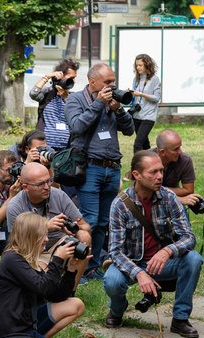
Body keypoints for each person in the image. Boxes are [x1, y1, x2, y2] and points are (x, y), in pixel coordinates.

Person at [103, 150, 203, 338]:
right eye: (153, 172)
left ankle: (180, 319)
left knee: (194, 259)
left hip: (162, 263)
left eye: (161, 171)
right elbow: (115, 251)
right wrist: (139, 273)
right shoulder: (120, 204)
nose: (159, 177)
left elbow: (189, 237)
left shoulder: (169, 197)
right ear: (136, 175)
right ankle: (117, 310)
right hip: (131, 264)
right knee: (112, 281)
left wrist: (167, 251)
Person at [0, 212, 84, 338]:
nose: (47, 240)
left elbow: (56, 296)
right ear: (31, 237)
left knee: (76, 304)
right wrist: (56, 259)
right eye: (43, 236)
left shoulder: (27, 260)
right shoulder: (12, 259)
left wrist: (70, 269)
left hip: (28, 321)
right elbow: (43, 288)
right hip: (15, 332)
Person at [65, 63, 135, 280]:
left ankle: (93, 266)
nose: (111, 85)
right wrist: (98, 104)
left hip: (112, 168)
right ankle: (78, 266)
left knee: (104, 221)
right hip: (90, 167)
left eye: (113, 81)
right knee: (89, 220)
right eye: (107, 82)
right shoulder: (75, 100)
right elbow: (77, 127)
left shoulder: (112, 101)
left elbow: (130, 130)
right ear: (92, 82)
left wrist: (119, 109)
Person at [6, 163, 91, 288]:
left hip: (59, 243)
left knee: (84, 237)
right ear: (25, 187)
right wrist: (44, 227)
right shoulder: (15, 206)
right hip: (34, 252)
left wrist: (72, 229)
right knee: (43, 283)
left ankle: (71, 291)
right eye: (40, 184)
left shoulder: (59, 195)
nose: (47, 187)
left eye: (48, 181)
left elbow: (86, 226)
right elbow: (17, 245)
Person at [29, 58, 79, 151]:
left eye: (74, 78)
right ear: (60, 76)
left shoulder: (73, 97)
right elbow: (33, 93)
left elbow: (76, 114)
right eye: (71, 78)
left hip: (66, 148)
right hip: (45, 146)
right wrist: (47, 77)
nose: (74, 81)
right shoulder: (47, 93)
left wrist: (65, 97)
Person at [153, 129, 203, 208]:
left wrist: (158, 190)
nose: (180, 152)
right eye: (176, 149)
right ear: (162, 152)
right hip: (149, 202)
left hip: (173, 198)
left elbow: (189, 190)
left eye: (180, 147)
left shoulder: (184, 160)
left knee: (181, 214)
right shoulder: (146, 160)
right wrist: (179, 199)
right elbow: (144, 191)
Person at [129, 54, 161, 153]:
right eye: (136, 65)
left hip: (148, 116)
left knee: (137, 144)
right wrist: (129, 93)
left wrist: (141, 94)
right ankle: (152, 164)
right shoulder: (136, 79)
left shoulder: (154, 79)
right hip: (137, 116)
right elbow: (135, 96)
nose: (138, 68)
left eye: (140, 65)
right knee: (145, 144)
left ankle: (137, 166)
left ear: (147, 65)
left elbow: (156, 98)